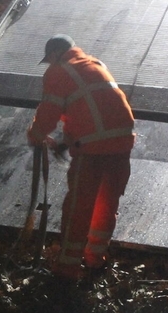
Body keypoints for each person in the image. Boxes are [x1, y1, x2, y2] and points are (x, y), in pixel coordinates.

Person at [27, 34, 135, 279]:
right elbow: (91, 111)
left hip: (93, 151)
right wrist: (66, 141)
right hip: (122, 144)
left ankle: (67, 269)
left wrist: (35, 136)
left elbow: (48, 113)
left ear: (55, 54)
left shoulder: (59, 71)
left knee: (79, 206)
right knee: (106, 204)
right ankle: (95, 260)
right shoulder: (95, 65)